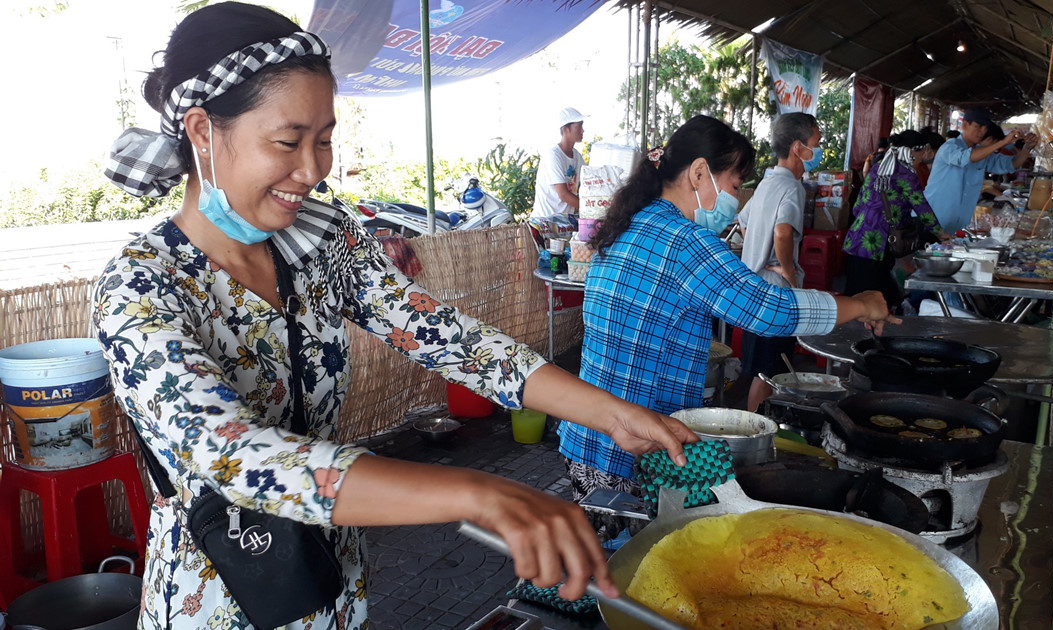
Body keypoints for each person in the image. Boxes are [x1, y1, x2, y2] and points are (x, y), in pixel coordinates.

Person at [94, 5, 695, 628]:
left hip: (336, 571)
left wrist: (609, 411)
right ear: (201, 131)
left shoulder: (323, 241)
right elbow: (239, 458)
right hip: (222, 595)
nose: (313, 170)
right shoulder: (141, 286)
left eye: (324, 139)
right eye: (287, 141)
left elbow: (449, 338)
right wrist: (481, 492)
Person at [561, 115, 897, 510]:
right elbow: (769, 311)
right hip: (637, 455)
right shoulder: (684, 241)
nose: (737, 200)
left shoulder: (626, 225)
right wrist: (860, 304)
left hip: (587, 438)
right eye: (736, 185)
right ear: (700, 173)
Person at [737, 112, 822, 413]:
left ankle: (755, 431)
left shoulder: (767, 181)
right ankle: (753, 435)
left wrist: (757, 253)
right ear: (798, 147)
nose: (818, 150)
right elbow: (783, 232)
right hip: (775, 291)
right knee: (768, 372)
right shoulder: (792, 187)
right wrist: (788, 270)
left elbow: (743, 220)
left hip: (753, 286)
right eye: (816, 143)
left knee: (761, 369)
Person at [842, 130, 948, 310]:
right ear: (914, 151)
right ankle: (868, 333)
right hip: (878, 244)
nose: (923, 157)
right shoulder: (906, 174)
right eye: (923, 152)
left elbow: (858, 205)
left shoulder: (878, 168)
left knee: (857, 294)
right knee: (874, 298)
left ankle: (854, 333)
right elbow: (921, 206)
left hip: (856, 239)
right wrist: (940, 232)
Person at [924, 109, 1038, 233]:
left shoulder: (980, 153)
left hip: (957, 225)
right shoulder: (950, 147)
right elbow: (966, 157)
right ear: (965, 125)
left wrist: (1027, 148)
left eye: (985, 127)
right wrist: (1002, 143)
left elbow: (1012, 163)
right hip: (933, 219)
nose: (982, 131)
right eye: (978, 126)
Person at [532, 107, 586, 219]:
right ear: (566, 129)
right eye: (578, 127)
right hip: (545, 224)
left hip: (564, 224)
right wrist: (591, 208)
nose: (582, 131)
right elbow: (563, 194)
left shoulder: (578, 157)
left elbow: (588, 184)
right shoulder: (553, 155)